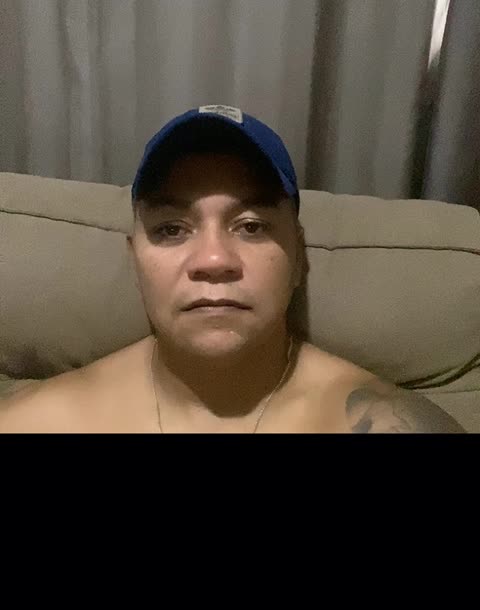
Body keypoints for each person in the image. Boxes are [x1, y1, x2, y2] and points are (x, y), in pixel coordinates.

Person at [0, 105, 465, 433]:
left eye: (251, 226)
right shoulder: (36, 421)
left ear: (298, 258)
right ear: (134, 261)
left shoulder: (391, 424)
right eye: (171, 229)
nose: (214, 261)